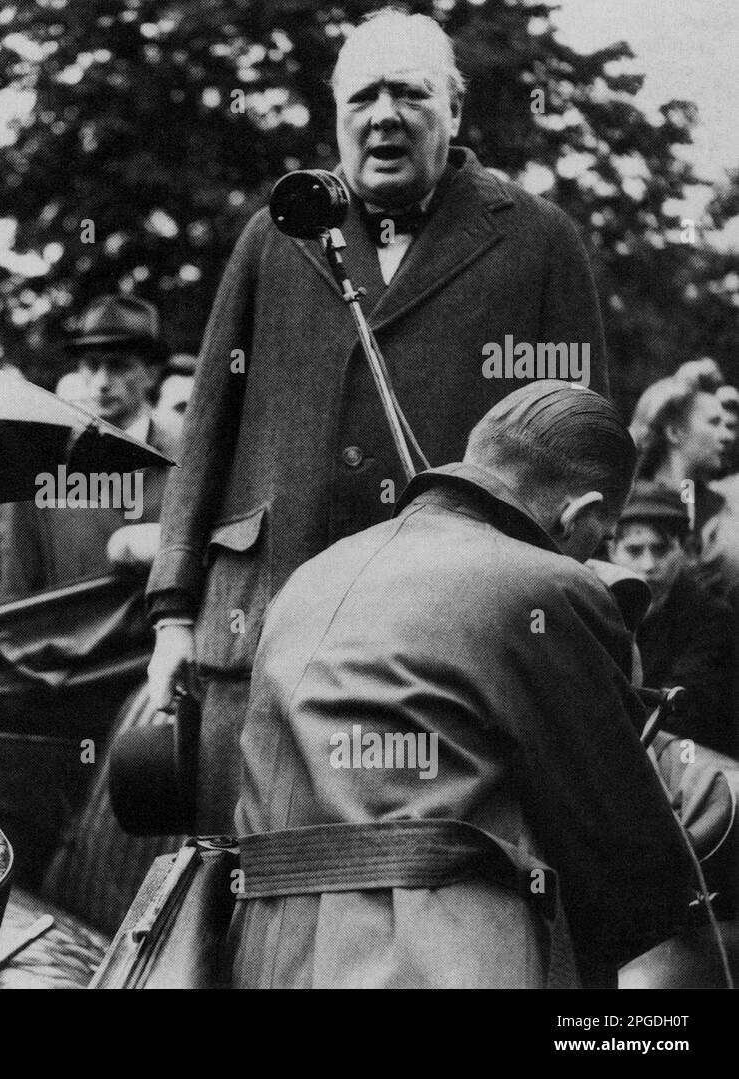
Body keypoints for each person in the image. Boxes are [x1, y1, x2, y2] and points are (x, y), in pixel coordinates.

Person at [145, 7, 610, 832]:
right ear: (335, 117)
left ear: (455, 113)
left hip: (446, 655)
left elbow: (582, 451)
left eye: (411, 94)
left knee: (411, 909)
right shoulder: (273, 234)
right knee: (242, 904)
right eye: (361, 97)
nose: (384, 115)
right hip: (257, 643)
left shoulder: (539, 242)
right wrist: (174, 615)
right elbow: (207, 427)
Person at [227, 382, 694, 989]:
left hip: (263, 953)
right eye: (600, 537)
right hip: (441, 963)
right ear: (579, 513)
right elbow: (616, 840)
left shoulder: (314, 572)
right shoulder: (548, 585)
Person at [0, 294, 174, 604]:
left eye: (119, 366)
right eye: (92, 365)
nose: (102, 382)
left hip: (167, 647)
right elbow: (16, 593)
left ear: (151, 373)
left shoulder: (185, 461)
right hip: (72, 647)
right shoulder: (41, 472)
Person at [608, 483, 737, 755]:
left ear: (684, 551)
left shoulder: (712, 618)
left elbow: (681, 709)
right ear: (612, 552)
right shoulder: (600, 606)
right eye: (634, 551)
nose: (648, 565)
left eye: (661, 550)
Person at [629, 371, 734, 541]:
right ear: (674, 432)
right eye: (714, 423)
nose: (727, 436)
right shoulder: (631, 506)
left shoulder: (714, 506)